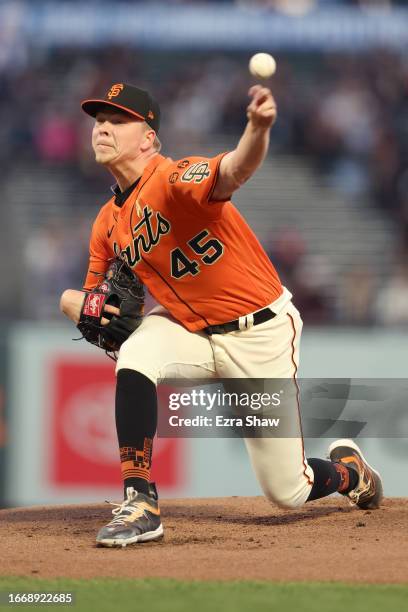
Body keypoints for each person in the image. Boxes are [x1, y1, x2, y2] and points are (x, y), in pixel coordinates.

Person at [60, 82, 383, 548]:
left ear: (149, 137)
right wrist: (68, 301)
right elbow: (95, 305)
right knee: (135, 353)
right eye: (99, 121)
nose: (102, 129)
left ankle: (350, 474)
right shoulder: (105, 224)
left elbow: (234, 169)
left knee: (287, 491)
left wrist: (258, 128)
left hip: (259, 333)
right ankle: (140, 501)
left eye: (118, 121)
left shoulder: (175, 179)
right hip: (189, 331)